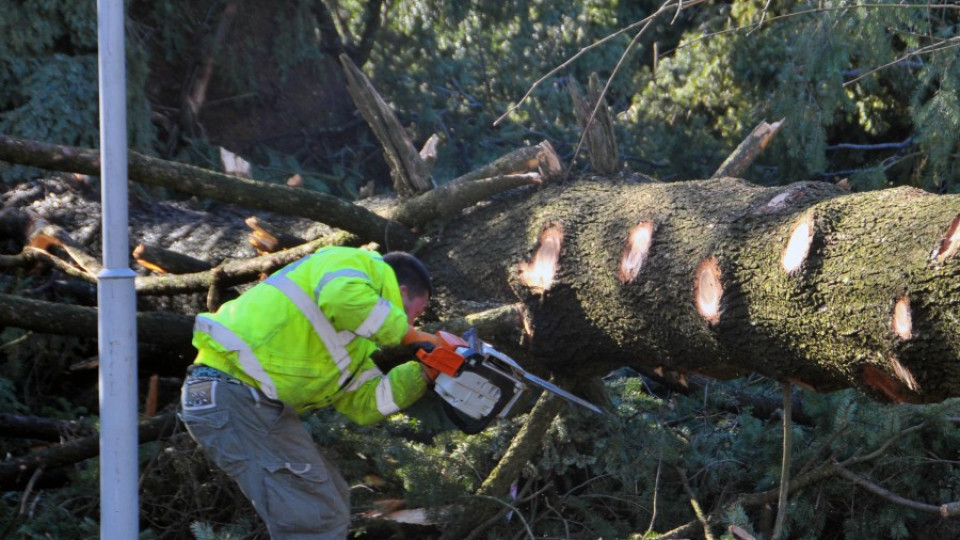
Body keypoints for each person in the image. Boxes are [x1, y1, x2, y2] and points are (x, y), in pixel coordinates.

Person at [179, 246, 444, 540]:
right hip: (232, 392)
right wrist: (415, 337)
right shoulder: (356, 263)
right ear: (402, 291)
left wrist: (426, 372)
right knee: (314, 516)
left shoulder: (352, 345)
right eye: (415, 314)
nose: (411, 323)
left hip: (250, 403)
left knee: (330, 498)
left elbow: (366, 403)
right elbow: (343, 299)